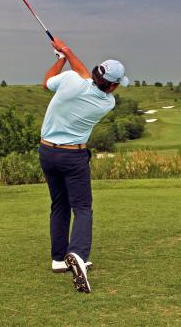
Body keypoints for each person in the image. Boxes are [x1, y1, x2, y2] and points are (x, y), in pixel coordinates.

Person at [39, 37, 129, 293]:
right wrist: (67, 52)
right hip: (73, 157)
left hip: (46, 151)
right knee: (82, 207)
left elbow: (47, 82)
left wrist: (62, 58)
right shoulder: (106, 103)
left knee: (59, 205)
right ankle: (77, 254)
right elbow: (85, 76)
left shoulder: (69, 79)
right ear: (112, 86)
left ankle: (58, 259)